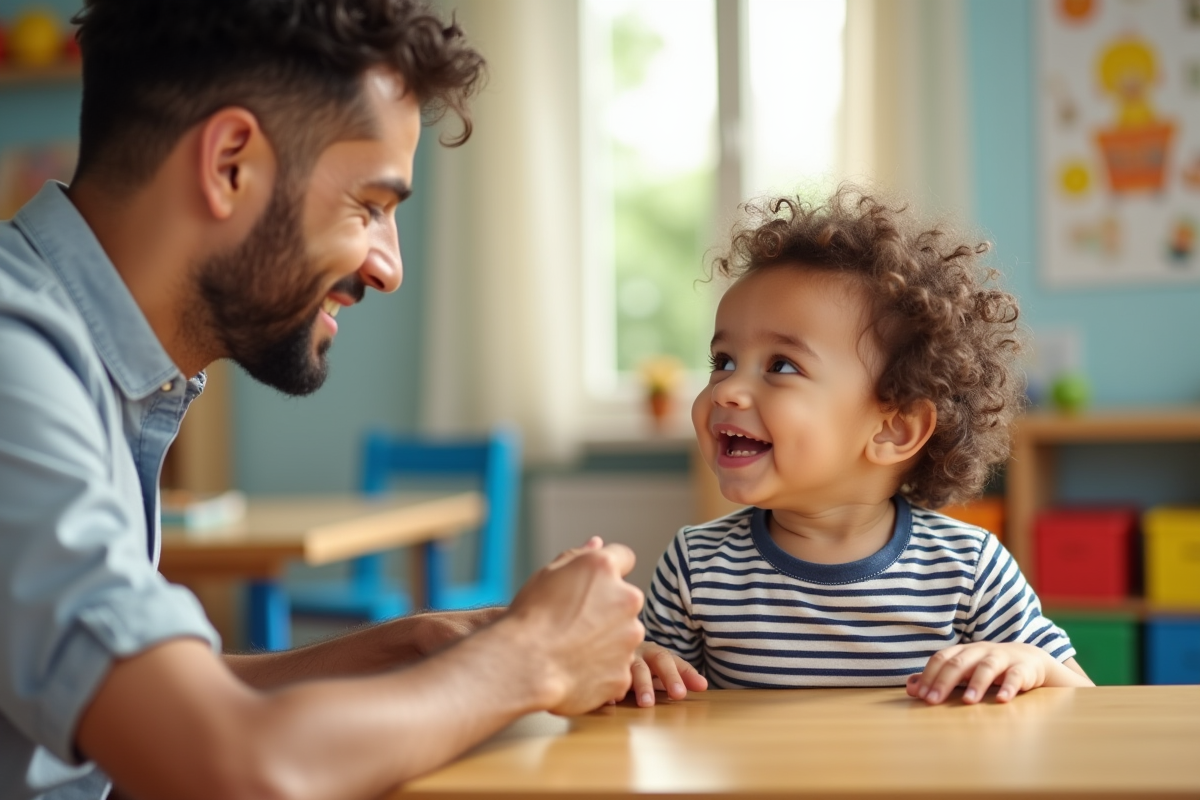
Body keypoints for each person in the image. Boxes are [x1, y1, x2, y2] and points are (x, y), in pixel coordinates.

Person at [0, 2, 645, 799]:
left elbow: (140, 709)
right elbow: (226, 767)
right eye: (371, 207)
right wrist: (531, 658)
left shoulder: (87, 361)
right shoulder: (13, 361)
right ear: (231, 163)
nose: (388, 267)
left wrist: (405, 651)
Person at [631, 187, 1094, 708]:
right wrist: (637, 668)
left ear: (893, 429)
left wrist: (1033, 665)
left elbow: (1084, 703)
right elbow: (653, 707)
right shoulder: (695, 567)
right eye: (723, 361)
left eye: (781, 365)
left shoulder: (967, 569)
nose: (727, 390)